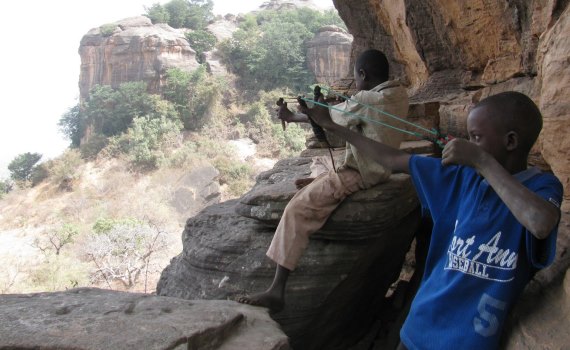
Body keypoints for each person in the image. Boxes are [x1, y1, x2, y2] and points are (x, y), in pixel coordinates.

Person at [308, 90, 563, 349]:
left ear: (510, 142)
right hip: (418, 329)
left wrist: (481, 160)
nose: (470, 144)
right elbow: (392, 159)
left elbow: (540, 223)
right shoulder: (461, 178)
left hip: (468, 343)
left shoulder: (542, 187)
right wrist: (329, 124)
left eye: (476, 137)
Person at [236, 49, 410, 312]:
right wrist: (316, 110)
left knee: (297, 208)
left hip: (362, 173)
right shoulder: (398, 94)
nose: (355, 84)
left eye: (356, 77)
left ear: (362, 74)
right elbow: (343, 116)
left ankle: (276, 291)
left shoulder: (365, 99)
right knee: (318, 167)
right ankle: (319, 181)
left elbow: (329, 119)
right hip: (384, 167)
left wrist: (295, 115)